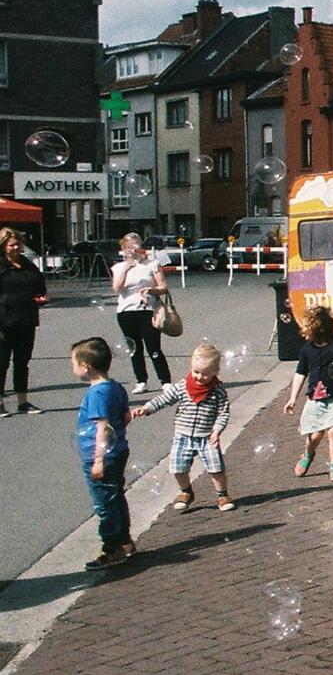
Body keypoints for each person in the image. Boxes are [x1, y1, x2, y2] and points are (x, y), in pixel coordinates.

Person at [131, 342, 234, 512]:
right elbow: (164, 399)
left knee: (216, 468)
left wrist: (217, 430)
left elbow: (223, 412)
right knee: (178, 467)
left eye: (206, 374)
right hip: (183, 435)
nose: (200, 377)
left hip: (206, 436)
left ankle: (222, 495)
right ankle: (186, 491)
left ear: (216, 371)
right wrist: (147, 408)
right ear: (191, 366)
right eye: (196, 372)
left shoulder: (218, 390)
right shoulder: (183, 386)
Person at [70, 337, 133, 570]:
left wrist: (98, 460)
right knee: (116, 497)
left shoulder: (96, 394)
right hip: (118, 452)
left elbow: (103, 428)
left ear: (86, 366)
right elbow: (125, 417)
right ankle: (125, 542)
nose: (73, 368)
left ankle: (111, 548)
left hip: (101, 457)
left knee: (104, 504)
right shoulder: (115, 386)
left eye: (73, 363)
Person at [283, 305, 333, 482]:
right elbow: (300, 373)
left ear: (318, 330)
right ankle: (308, 454)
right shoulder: (307, 350)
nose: (304, 334)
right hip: (315, 398)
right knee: (315, 433)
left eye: (307, 331)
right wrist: (293, 398)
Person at [110, 233, 171, 393]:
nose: (134, 250)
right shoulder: (118, 267)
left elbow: (163, 286)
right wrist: (126, 267)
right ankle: (141, 380)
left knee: (153, 346)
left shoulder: (152, 264)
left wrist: (150, 289)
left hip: (147, 309)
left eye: (137, 246)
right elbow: (117, 288)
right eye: (130, 247)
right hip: (126, 311)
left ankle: (165, 380)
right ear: (123, 249)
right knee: (134, 348)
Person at [0, 227, 49, 415]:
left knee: (23, 361)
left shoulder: (28, 265)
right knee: (2, 362)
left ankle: (23, 402)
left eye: (18, 243)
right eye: (11, 244)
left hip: (26, 319)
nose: (16, 247)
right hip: (4, 320)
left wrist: (41, 298)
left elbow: (40, 287)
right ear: (3, 246)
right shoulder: (1, 266)